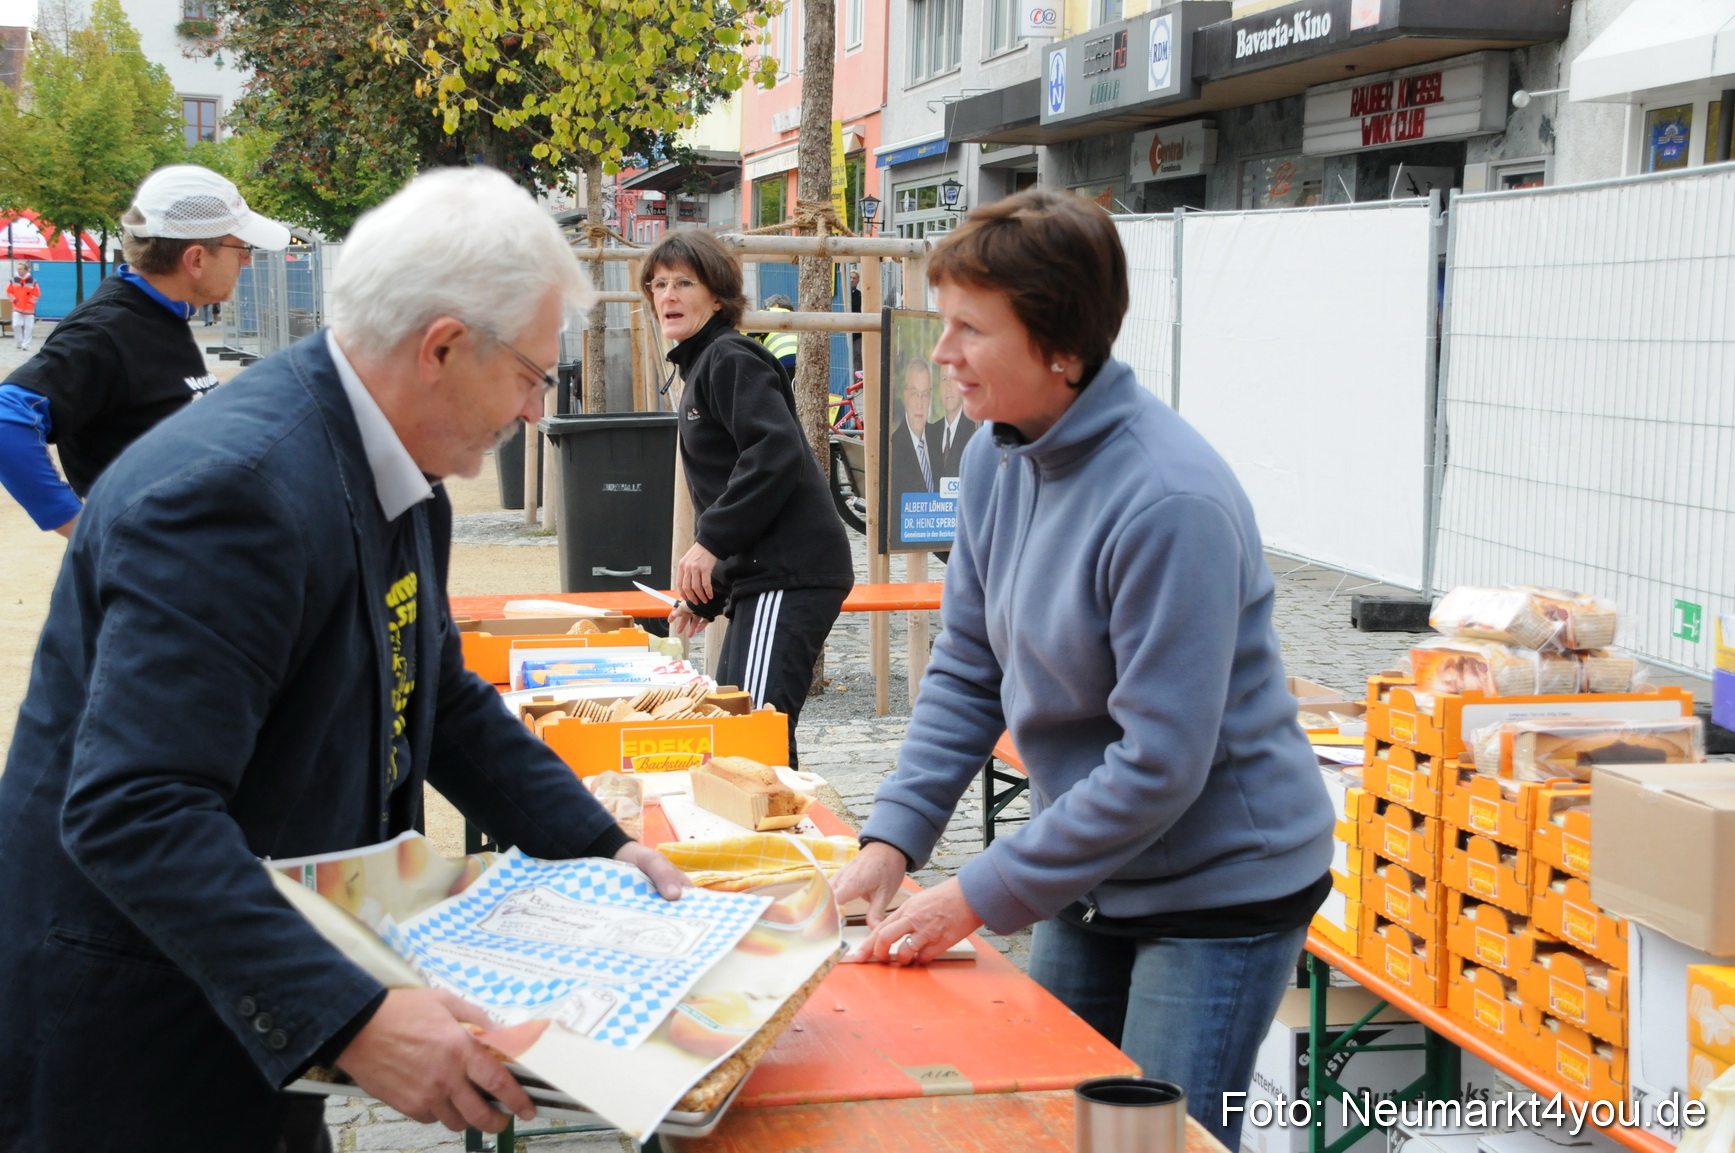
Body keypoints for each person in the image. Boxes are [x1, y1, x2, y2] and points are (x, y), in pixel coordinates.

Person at [0, 166, 688, 1152]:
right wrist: (355, 1016)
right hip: (141, 1037)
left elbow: (437, 695)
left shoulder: (396, 468)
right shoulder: (232, 496)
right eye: (533, 376)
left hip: (262, 988)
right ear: (442, 347)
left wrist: (600, 849)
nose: (536, 411)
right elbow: (133, 808)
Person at [831, 189, 1334, 1149]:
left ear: (1059, 348)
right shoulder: (992, 458)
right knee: (1051, 1120)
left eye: (968, 330)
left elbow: (1159, 763)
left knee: (1142, 1141)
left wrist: (974, 892)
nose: (940, 357)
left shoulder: (1166, 501)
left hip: (1220, 888)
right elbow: (969, 666)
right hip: (1093, 865)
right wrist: (891, 838)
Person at [642, 229, 854, 770]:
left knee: (749, 740)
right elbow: (736, 482)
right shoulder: (701, 365)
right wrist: (706, 594)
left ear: (717, 296)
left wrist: (709, 543)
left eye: (683, 283)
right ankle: (777, 841)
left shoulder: (728, 356)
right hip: (765, 577)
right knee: (744, 729)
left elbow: (775, 450)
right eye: (658, 283)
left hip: (790, 572)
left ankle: (782, 848)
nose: (667, 295)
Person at [0, 165, 291, 539]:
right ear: (196, 259)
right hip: (156, 580)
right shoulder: (106, 330)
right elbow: (8, 418)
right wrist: (80, 527)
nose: (246, 260)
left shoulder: (159, 312)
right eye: (241, 248)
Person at [887, 355, 936, 508]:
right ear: (905, 394)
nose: (920, 404)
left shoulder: (940, 438)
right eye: (915, 394)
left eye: (925, 394)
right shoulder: (893, 448)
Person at [925, 370, 974, 486]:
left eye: (954, 378)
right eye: (944, 379)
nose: (948, 386)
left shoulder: (975, 431)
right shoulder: (929, 433)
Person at [758, 292, 798, 374]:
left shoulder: (767, 314)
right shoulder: (798, 317)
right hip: (802, 360)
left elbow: (745, 333)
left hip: (781, 361)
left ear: (776, 305)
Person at [7, 261, 39, 350]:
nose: (19, 270)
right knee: (16, 325)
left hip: (29, 309)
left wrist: (30, 302)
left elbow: (37, 294)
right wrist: (15, 301)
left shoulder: (33, 281)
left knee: (29, 327)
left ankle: (25, 345)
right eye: (18, 269)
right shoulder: (13, 280)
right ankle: (19, 340)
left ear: (25, 270)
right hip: (17, 307)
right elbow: (9, 292)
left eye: (20, 269)